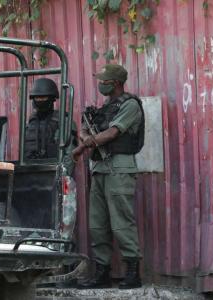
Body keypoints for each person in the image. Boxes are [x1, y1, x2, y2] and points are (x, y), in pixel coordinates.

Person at [73, 64, 145, 289]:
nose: (100, 84)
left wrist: (84, 144)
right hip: (100, 169)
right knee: (97, 224)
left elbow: (113, 133)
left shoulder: (130, 105)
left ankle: (133, 273)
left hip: (119, 169)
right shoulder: (106, 107)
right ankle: (102, 272)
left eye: (104, 80)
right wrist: (84, 134)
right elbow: (86, 130)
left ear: (115, 83)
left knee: (122, 223)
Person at [24, 78, 76, 176]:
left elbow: (71, 154)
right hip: (30, 176)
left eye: (43, 98)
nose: (40, 100)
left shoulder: (64, 121)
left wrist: (62, 175)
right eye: (37, 98)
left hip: (55, 174)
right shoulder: (30, 123)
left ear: (52, 99)